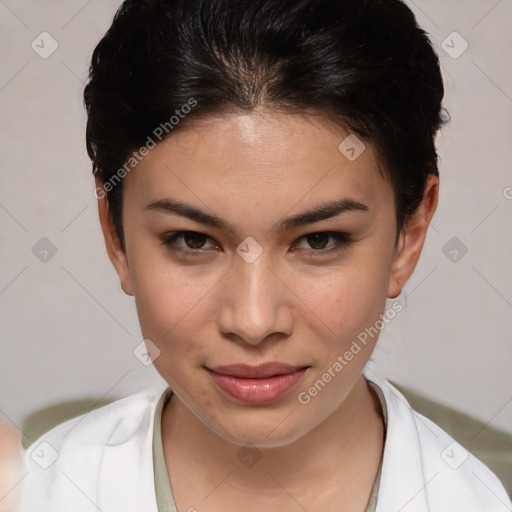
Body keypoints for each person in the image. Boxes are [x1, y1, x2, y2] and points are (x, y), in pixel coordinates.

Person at [16, 0, 511, 511]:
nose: (253, 323)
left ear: (408, 234)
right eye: (192, 240)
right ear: (115, 234)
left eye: (319, 240)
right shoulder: (32, 483)